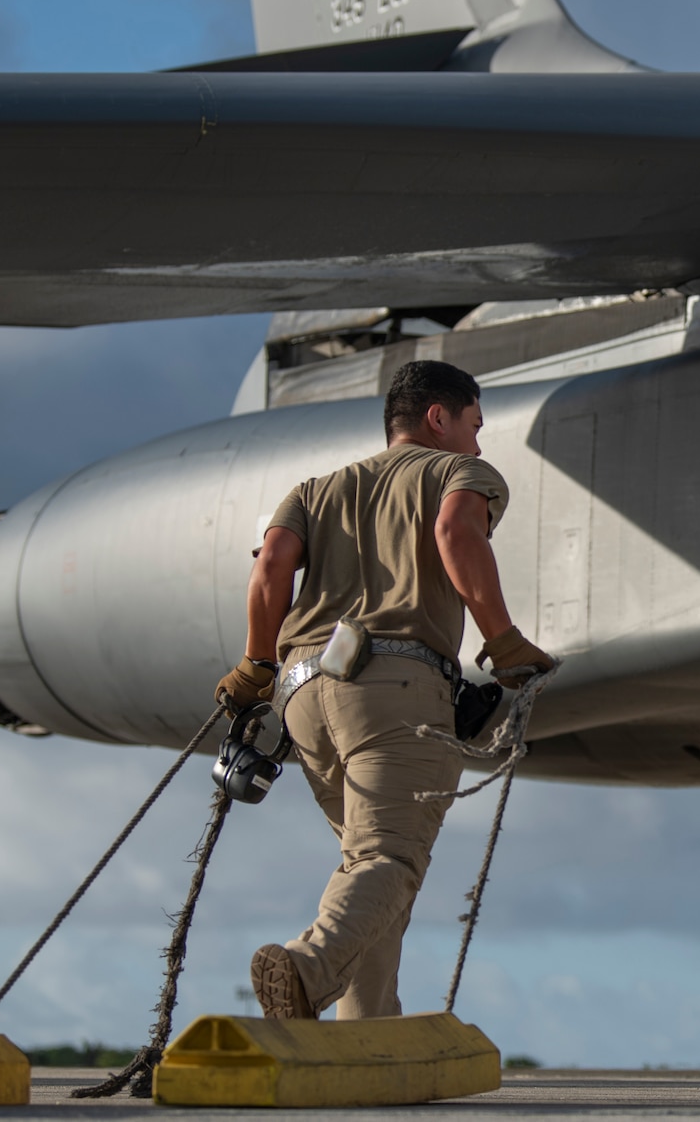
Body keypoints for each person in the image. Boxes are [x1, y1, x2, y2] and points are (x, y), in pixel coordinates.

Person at [214, 359, 556, 1020]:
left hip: (301, 698)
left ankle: (367, 1027)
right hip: (393, 686)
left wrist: (256, 664)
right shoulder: (460, 473)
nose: (479, 443)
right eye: (474, 425)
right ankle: (306, 970)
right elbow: (456, 533)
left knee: (368, 869)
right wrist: (505, 643)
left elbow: (272, 567)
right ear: (439, 418)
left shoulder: (314, 490)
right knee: (390, 857)